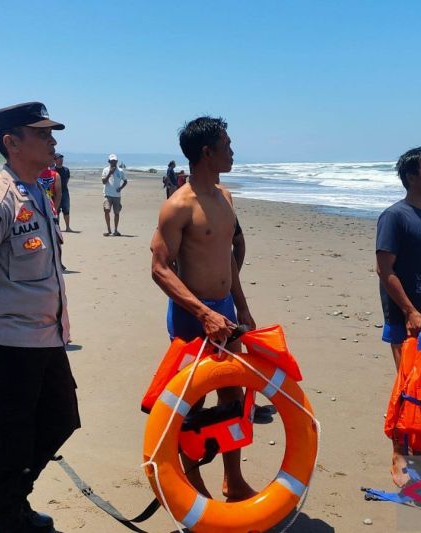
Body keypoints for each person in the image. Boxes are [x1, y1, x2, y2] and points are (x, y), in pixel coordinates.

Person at [0, 101, 80, 532]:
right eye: (42, 134)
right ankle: (8, 509)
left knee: (62, 417)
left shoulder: (37, 193)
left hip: (46, 338)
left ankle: (9, 492)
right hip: (8, 344)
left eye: (51, 133)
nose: (52, 141)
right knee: (10, 432)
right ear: (12, 143)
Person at [150, 116, 256, 501]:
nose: (233, 150)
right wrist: (203, 313)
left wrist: (240, 307)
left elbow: (227, 256)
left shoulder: (225, 197)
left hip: (225, 311)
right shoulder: (178, 206)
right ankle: (197, 489)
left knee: (232, 397)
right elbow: (160, 270)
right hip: (192, 318)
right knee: (191, 404)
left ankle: (234, 478)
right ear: (207, 152)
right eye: (227, 144)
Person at [375, 145, 421, 487]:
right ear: (410, 177)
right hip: (405, 318)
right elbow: (384, 270)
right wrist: (410, 310)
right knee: (408, 387)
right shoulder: (394, 217)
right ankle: (399, 451)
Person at [102, 154, 127, 236]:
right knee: (106, 210)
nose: (113, 162)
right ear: (109, 161)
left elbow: (125, 181)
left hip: (117, 195)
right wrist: (110, 173)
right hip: (107, 194)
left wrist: (120, 187)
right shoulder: (105, 170)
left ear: (117, 161)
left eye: (115, 161)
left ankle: (115, 230)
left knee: (116, 213)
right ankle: (109, 229)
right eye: (112, 161)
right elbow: (104, 181)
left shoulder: (120, 171)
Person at [54, 153, 73, 231]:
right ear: (55, 160)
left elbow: (67, 180)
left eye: (62, 159)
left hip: (65, 192)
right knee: (56, 211)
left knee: (66, 210)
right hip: (55, 193)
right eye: (59, 159)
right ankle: (57, 227)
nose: (61, 160)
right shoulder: (53, 170)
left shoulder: (66, 170)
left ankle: (67, 227)